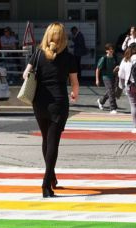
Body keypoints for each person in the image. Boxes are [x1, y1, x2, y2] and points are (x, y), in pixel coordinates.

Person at [22, 22, 80, 198]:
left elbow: (25, 75)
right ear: (63, 38)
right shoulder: (68, 57)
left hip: (39, 102)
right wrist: (74, 94)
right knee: (53, 142)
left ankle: (51, 175)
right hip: (58, 103)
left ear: (47, 36)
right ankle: (46, 183)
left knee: (46, 139)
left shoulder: (38, 54)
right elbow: (74, 83)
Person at [95, 43, 119, 114]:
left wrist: (117, 68)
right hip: (106, 77)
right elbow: (98, 69)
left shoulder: (114, 57)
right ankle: (113, 108)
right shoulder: (103, 58)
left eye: (112, 49)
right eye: (109, 49)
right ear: (106, 50)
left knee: (111, 91)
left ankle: (101, 101)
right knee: (111, 91)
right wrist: (97, 80)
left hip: (113, 76)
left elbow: (117, 66)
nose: (111, 50)